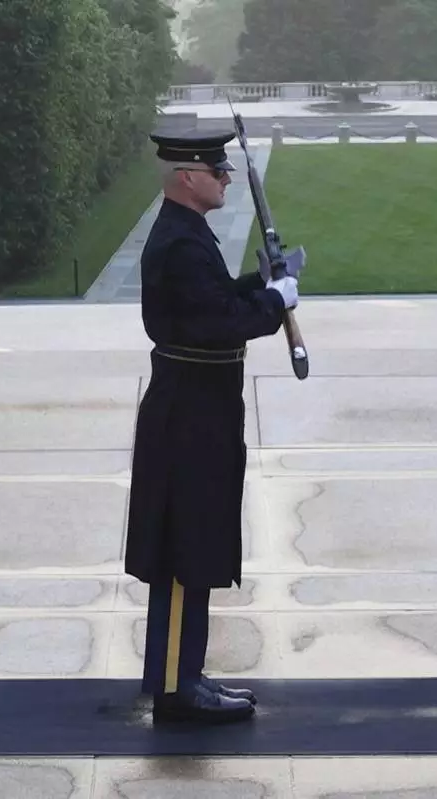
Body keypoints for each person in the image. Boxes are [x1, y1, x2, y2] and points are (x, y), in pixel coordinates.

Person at [123, 128, 299, 724]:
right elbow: (217, 324)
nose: (225, 176)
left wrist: (264, 282)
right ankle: (176, 689)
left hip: (198, 410)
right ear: (186, 178)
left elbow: (214, 299)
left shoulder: (188, 236)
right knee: (181, 550)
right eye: (215, 169)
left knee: (193, 542)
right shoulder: (179, 243)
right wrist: (275, 303)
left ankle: (182, 673)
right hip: (188, 417)